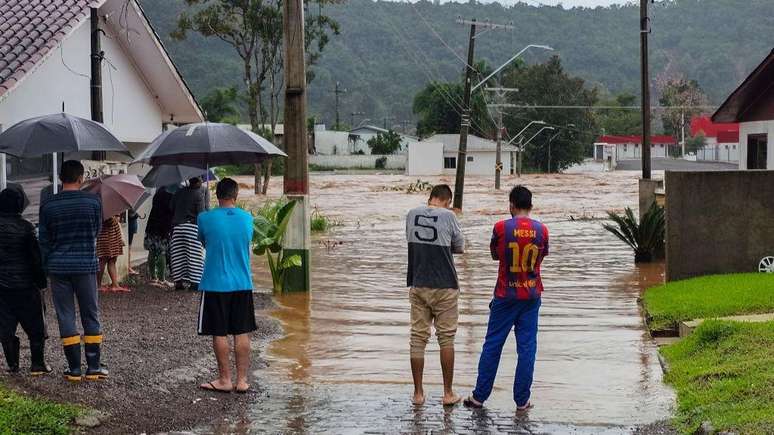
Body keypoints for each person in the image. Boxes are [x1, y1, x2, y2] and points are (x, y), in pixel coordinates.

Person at [464, 185, 549, 411]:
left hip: (505, 295)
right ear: (531, 205)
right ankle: (522, 401)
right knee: (527, 348)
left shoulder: (501, 227)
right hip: (531, 295)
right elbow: (542, 256)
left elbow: (495, 255)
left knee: (493, 345)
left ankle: (479, 397)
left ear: (511, 205)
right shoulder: (542, 230)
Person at [39, 160, 108, 382]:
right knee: (91, 313)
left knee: (65, 314)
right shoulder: (94, 202)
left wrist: (45, 265)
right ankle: (94, 367)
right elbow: (96, 231)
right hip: (86, 266)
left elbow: (44, 241)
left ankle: (75, 369)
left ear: (60, 178)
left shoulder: (48, 205)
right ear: (81, 178)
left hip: (58, 267)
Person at [405, 184, 465, 406]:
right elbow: (459, 246)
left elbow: (410, 243)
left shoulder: (411, 214)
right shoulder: (449, 216)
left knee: (417, 339)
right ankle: (448, 393)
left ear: (430, 198)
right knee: (446, 338)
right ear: (447, 201)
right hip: (445, 285)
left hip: (419, 283)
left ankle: (418, 394)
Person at [196, 178, 256, 394]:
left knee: (219, 332)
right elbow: (248, 240)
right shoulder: (247, 218)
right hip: (242, 282)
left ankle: (224, 379)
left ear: (217, 195)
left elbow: (203, 241)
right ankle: (241, 381)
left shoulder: (204, 218)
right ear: (236, 195)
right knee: (242, 331)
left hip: (215, 283)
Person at [0, 186, 51, 375]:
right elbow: (36, 259)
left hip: (2, 287)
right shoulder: (26, 228)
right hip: (26, 285)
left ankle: (13, 365)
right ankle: (37, 364)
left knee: (5, 326)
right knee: (36, 325)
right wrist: (42, 282)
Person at [170, 177, 206, 291]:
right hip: (192, 228)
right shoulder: (199, 194)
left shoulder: (179, 192)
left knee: (178, 256)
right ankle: (194, 283)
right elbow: (201, 214)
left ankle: (178, 283)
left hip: (177, 228)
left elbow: (171, 207)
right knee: (194, 256)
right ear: (198, 182)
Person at [144, 187, 175, 287]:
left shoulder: (159, 192)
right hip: (164, 227)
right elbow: (171, 211)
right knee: (162, 252)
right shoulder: (171, 195)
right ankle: (162, 278)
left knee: (152, 251)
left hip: (152, 224)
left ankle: (153, 277)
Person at [96, 215, 126, 292]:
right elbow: (110, 221)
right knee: (103, 261)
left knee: (111, 261)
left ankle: (114, 284)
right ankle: (98, 285)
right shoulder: (106, 211)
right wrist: (116, 218)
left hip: (110, 237)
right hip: (108, 238)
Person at [126, 209, 143, 275]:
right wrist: (136, 214)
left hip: (131, 227)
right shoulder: (130, 205)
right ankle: (128, 267)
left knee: (129, 248)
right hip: (130, 227)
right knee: (129, 248)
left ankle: (129, 266)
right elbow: (131, 214)